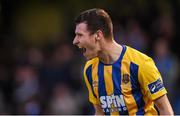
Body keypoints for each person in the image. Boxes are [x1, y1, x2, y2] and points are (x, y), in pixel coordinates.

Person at [73, 8, 174, 115]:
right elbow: (99, 113)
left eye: (80, 35)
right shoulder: (89, 69)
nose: (75, 41)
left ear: (98, 35)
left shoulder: (141, 64)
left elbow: (165, 110)